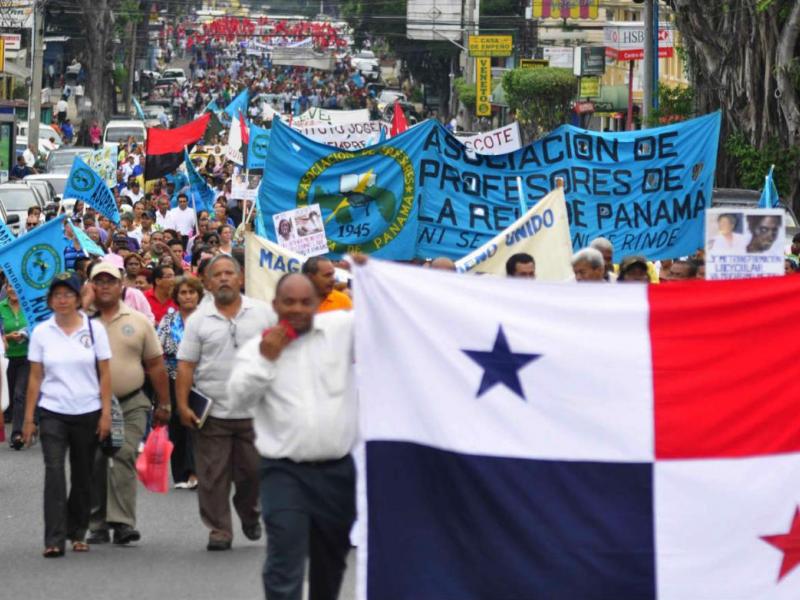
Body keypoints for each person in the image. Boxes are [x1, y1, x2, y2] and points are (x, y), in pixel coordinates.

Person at [228, 273, 357, 600]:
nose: (298, 309)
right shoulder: (256, 349)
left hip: (337, 472)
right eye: (289, 302)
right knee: (285, 560)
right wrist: (266, 361)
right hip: (284, 472)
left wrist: (375, 273)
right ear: (275, 305)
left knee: (330, 562)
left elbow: (387, 314)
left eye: (305, 302)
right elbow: (239, 399)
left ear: (318, 304)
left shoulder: (341, 330)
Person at [175, 254, 275, 551]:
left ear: (241, 278)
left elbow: (279, 355)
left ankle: (249, 513)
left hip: (254, 412)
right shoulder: (197, 321)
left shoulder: (263, 313)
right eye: (216, 274)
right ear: (206, 282)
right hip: (213, 414)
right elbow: (185, 366)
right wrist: (182, 405)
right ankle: (219, 529)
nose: (223, 278)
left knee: (253, 474)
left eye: (229, 273)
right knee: (211, 476)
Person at [22, 272, 112, 557]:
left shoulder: (94, 329)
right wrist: (28, 419)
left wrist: (106, 412)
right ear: (50, 300)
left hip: (88, 410)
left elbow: (105, 372)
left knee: (83, 474)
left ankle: (77, 532)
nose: (62, 300)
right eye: (57, 295)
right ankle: (54, 538)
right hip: (53, 411)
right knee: (54, 472)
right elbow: (35, 378)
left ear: (78, 299)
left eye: (68, 295)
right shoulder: (41, 332)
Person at [86, 262, 171, 546]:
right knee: (95, 461)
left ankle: (122, 523)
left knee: (122, 454)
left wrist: (164, 403)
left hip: (132, 402)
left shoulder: (138, 320)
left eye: (111, 280)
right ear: (91, 286)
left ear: (122, 284)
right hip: (91, 406)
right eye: (99, 281)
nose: (106, 286)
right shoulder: (80, 323)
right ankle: (97, 523)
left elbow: (156, 365)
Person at [157, 276, 203, 490]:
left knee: (197, 426)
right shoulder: (168, 320)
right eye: (183, 293)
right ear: (176, 296)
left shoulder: (207, 319)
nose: (187, 296)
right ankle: (181, 474)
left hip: (202, 379)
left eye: (191, 292)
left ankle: (197, 472)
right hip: (174, 378)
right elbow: (160, 347)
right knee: (177, 426)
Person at [2, 285, 29, 450]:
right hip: (5, 359)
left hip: (26, 356)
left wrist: (26, 334)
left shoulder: (28, 307)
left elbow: (38, 327)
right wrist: (7, 337)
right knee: (7, 397)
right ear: (5, 287)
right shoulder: (0, 307)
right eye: (9, 286)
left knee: (19, 394)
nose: (13, 290)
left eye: (16, 286)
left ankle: (17, 434)